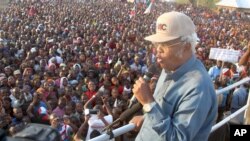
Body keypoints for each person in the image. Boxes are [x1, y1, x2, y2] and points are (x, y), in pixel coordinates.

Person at [130, 11, 217, 141]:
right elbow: (166, 114)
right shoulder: (169, 67)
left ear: (186, 47)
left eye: (165, 45)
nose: (157, 51)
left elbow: (177, 138)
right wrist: (148, 118)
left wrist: (148, 104)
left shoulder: (198, 88)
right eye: (156, 44)